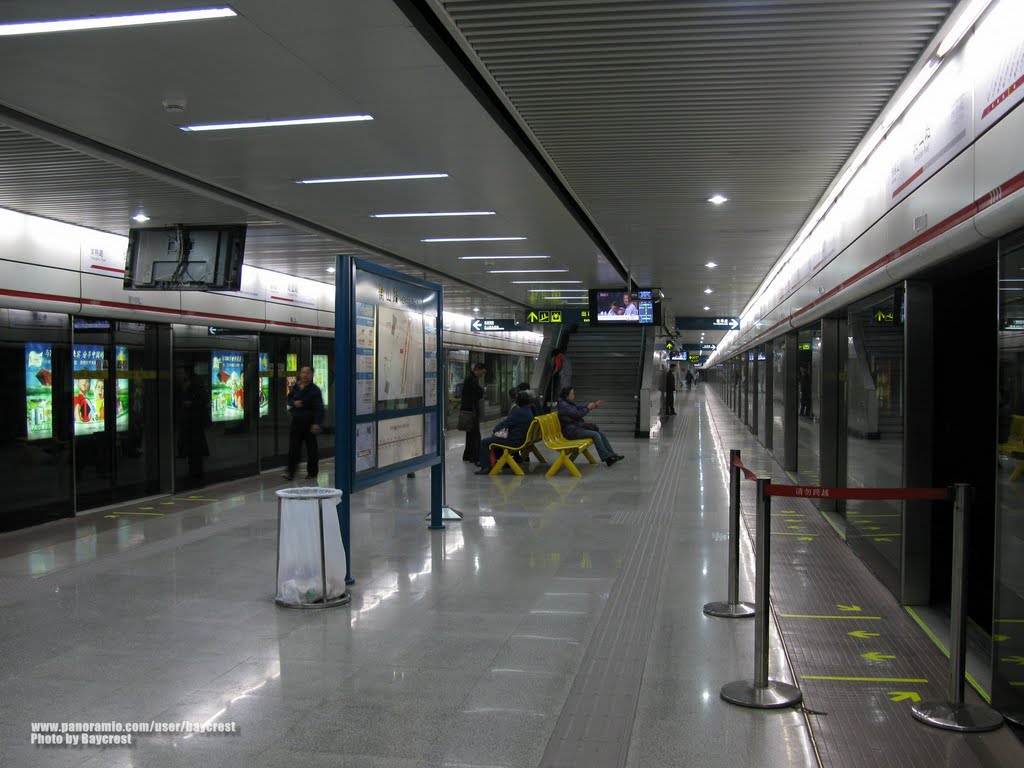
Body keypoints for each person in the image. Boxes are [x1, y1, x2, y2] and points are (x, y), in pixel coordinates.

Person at [557, 386, 623, 466]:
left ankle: (612, 455)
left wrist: (594, 405)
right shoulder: (564, 405)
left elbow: (579, 408)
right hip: (571, 432)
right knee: (595, 434)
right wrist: (588, 408)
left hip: (576, 428)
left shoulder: (567, 403)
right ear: (566, 395)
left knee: (600, 433)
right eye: (572, 393)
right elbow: (577, 414)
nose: (573, 395)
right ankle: (607, 458)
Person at [476, 391, 536, 474]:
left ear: (518, 402)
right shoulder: (529, 411)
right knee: (494, 441)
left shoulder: (519, 412)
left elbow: (505, 424)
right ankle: (499, 461)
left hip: (514, 441)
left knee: (485, 442)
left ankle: (486, 466)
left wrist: (495, 430)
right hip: (523, 440)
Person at [283, 365, 324, 480]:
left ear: (311, 375)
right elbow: (289, 399)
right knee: (294, 448)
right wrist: (293, 403)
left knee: (311, 449)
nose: (305, 375)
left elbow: (319, 408)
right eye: (303, 373)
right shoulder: (295, 387)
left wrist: (317, 423)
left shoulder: (314, 390)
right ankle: (290, 472)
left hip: (309, 423)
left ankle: (312, 473)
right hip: (296, 421)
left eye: (307, 373)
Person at [460, 362, 486, 463]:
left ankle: (468, 454)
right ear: (477, 369)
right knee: (475, 435)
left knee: (470, 434)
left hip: (468, 410)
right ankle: (475, 456)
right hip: (471, 411)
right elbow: (479, 393)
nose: (482, 375)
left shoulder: (470, 378)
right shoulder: (472, 379)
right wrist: (482, 391)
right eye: (482, 373)